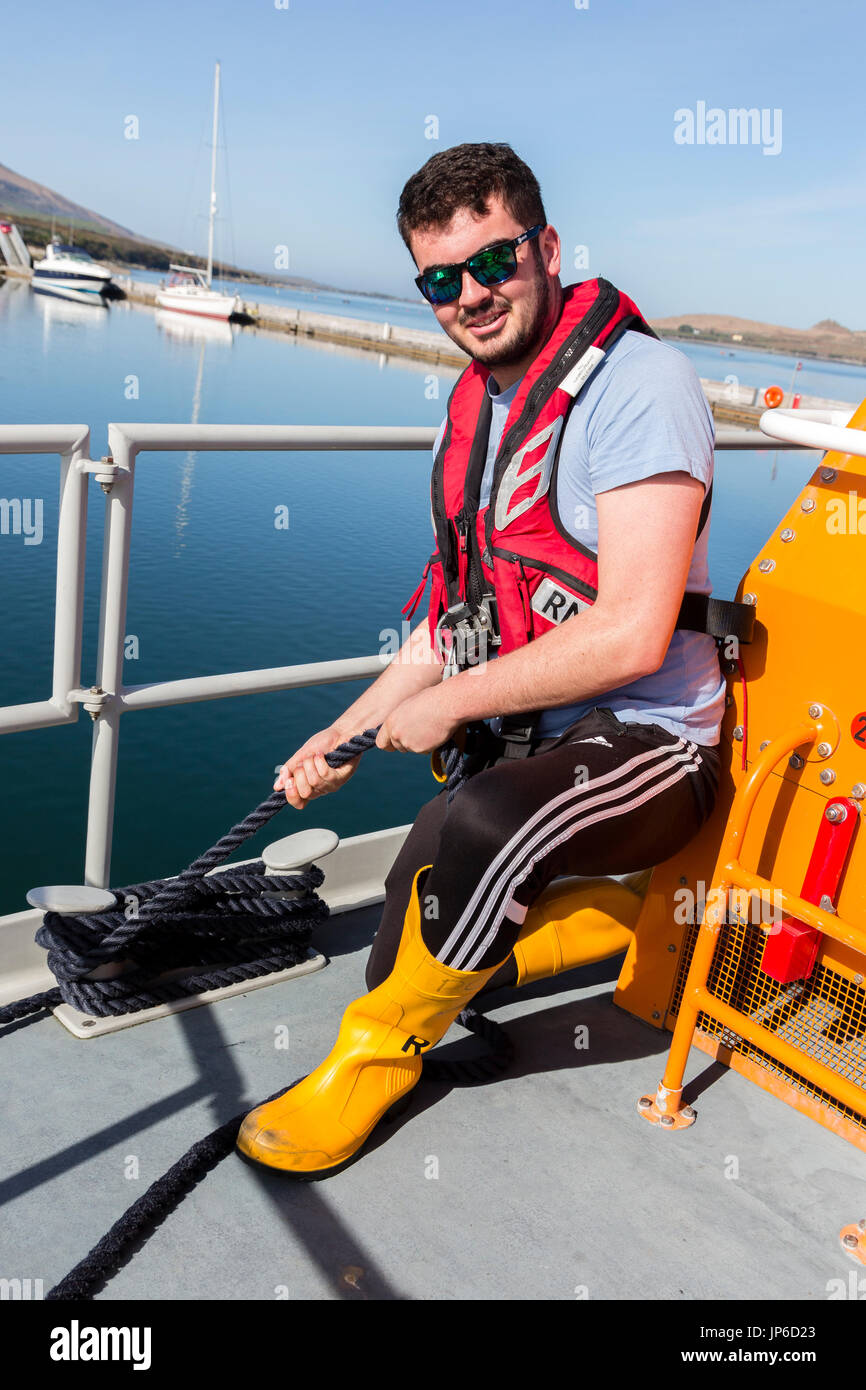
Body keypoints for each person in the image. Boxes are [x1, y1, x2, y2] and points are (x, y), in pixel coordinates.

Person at [237, 142, 724, 1177]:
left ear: (544, 247)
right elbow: (451, 623)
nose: (472, 294)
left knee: (487, 820)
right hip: (546, 738)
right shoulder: (478, 407)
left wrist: (455, 701)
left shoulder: (641, 385)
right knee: (415, 914)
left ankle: (372, 1068)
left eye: (494, 261)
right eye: (441, 279)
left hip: (654, 742)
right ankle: (613, 922)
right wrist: (344, 730)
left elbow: (633, 631)